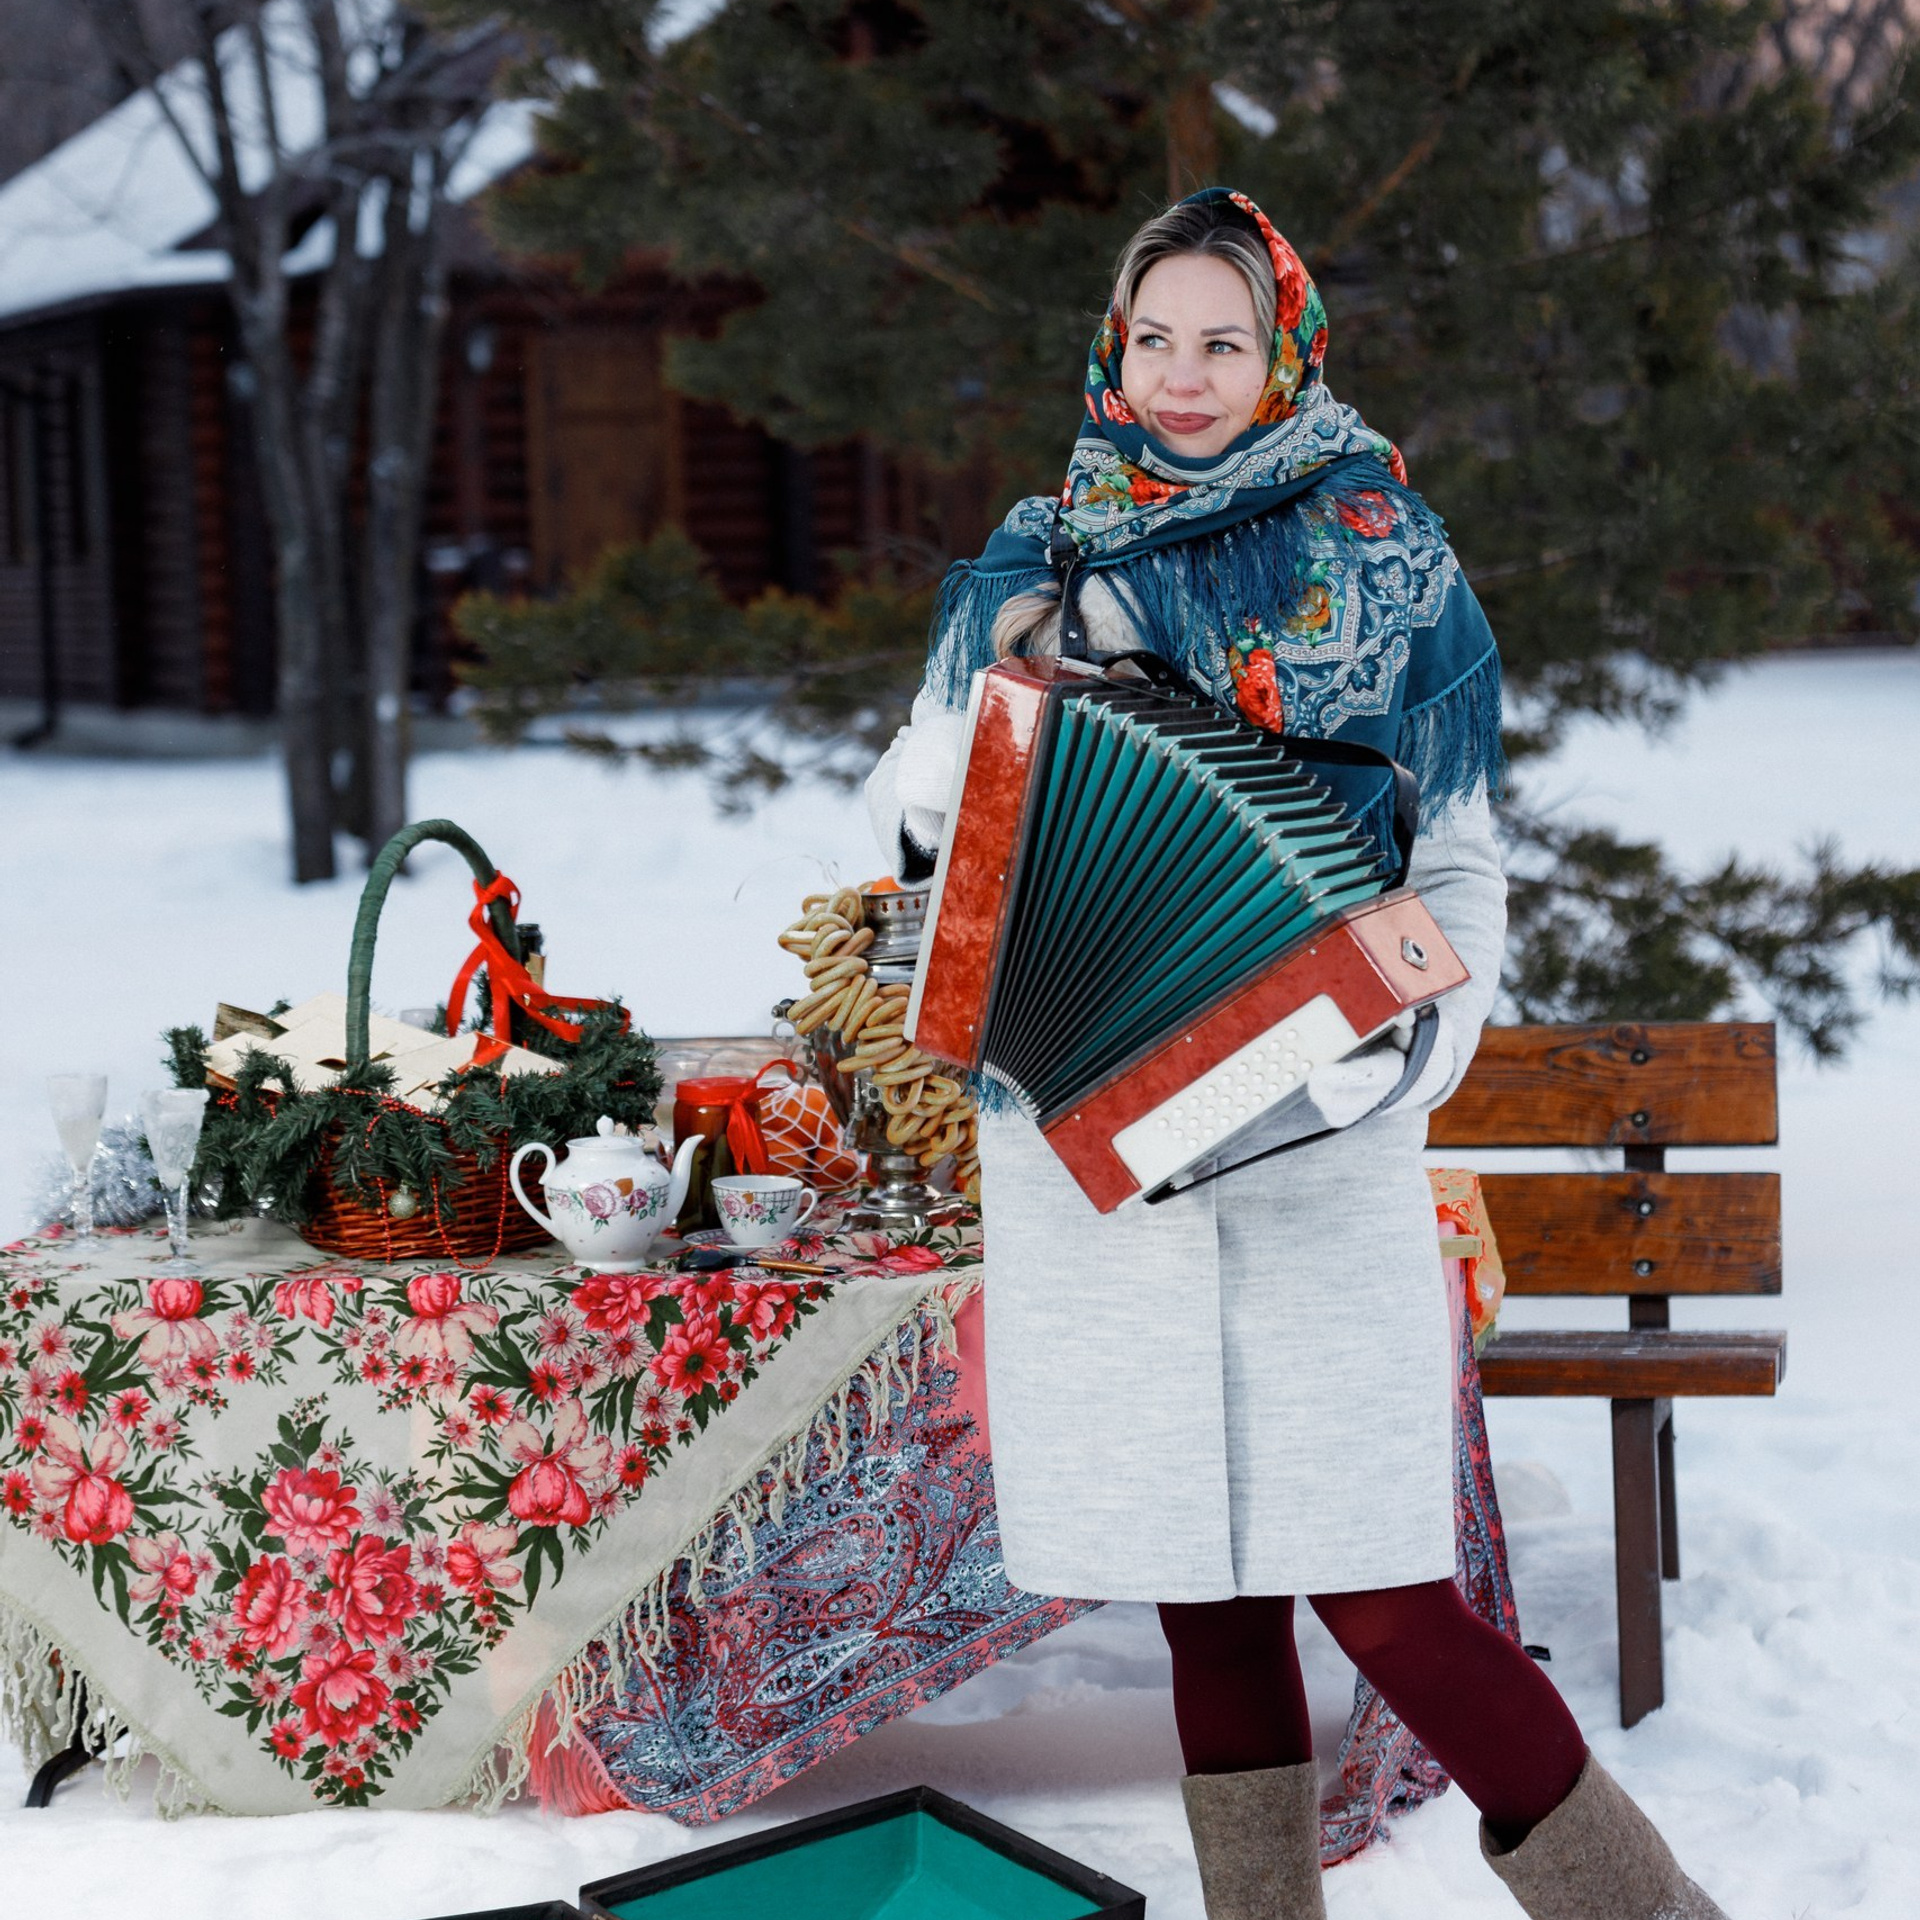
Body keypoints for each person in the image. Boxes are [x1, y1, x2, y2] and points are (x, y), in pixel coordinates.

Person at [866, 189, 1727, 1920]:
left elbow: (1461, 862)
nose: (1184, 376)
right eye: (1155, 339)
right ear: (1117, 348)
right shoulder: (1039, 561)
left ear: (1287, 354)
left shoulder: (1391, 562)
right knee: (1207, 1596)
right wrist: (983, 721)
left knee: (1389, 1591)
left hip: (1322, 1139)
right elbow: (911, 830)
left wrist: (1411, 1050)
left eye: (1225, 342)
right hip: (1100, 1150)